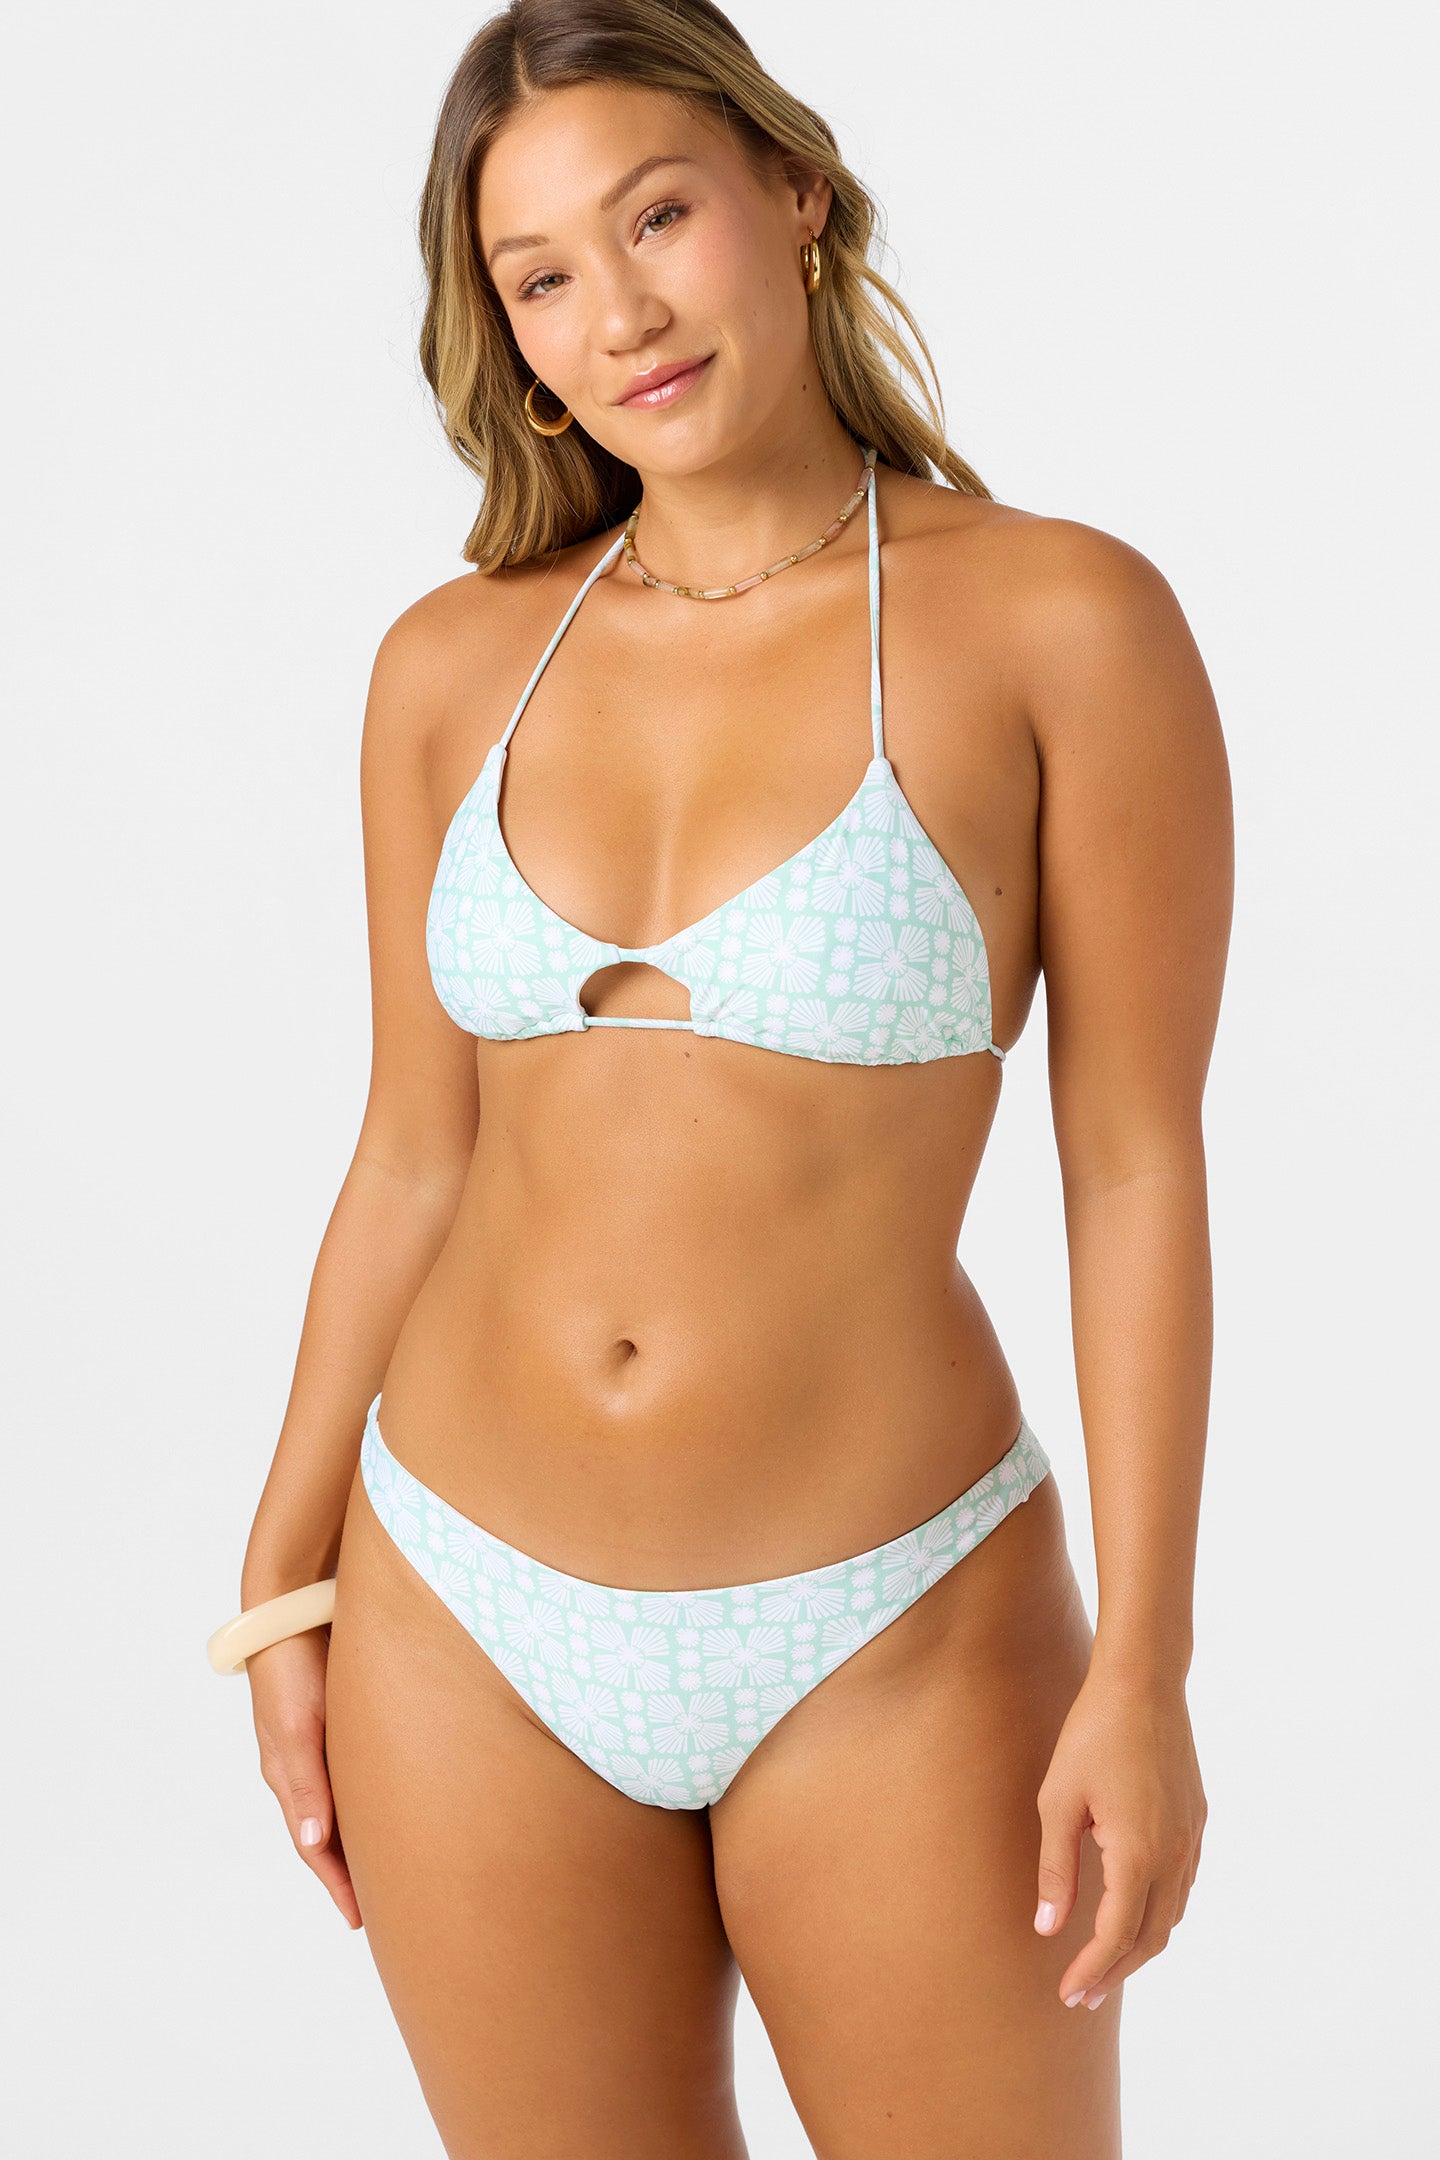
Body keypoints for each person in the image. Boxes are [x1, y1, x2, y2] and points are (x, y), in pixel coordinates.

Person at [218, 3, 1231, 2152]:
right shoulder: (451, 663)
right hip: (458, 1605)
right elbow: (410, 1157)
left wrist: (1143, 1667)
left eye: (658, 215)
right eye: (540, 275)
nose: (620, 312)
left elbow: (1135, 1167)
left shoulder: (1061, 624)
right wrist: (281, 1583)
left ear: (798, 194)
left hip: (895, 1620)